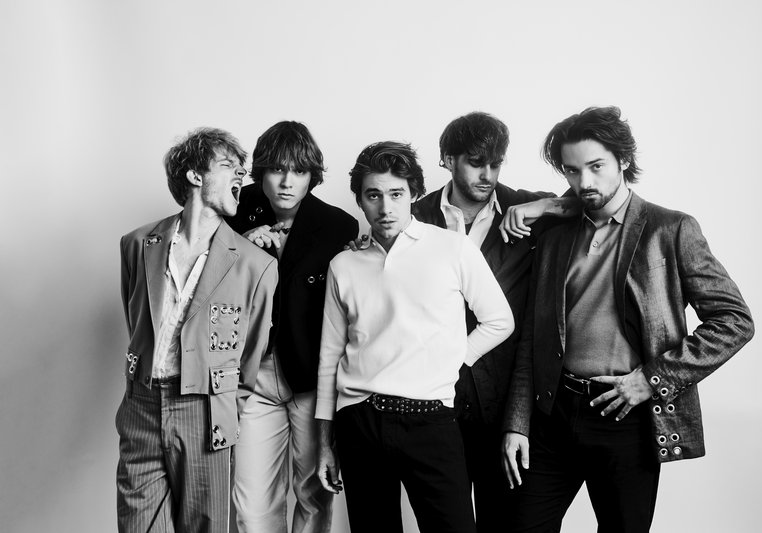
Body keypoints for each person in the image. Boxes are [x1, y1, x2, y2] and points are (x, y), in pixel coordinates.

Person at [501, 106, 755, 532]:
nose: (584, 182)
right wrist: (517, 422)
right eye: (572, 170)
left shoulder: (670, 229)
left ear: (623, 159)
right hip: (553, 414)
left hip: (626, 417)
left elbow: (734, 320)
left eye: (596, 166)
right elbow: (533, 336)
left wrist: (652, 379)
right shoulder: (555, 235)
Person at [315, 141, 514, 533]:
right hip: (360, 420)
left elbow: (499, 320)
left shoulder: (452, 248)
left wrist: (455, 359)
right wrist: (324, 443)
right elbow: (329, 357)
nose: (385, 208)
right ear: (360, 200)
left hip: (431, 420)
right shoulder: (344, 264)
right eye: (373, 195)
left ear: (414, 195)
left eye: (396, 194)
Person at [412, 111, 578, 532]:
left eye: (496, 164)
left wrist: (543, 205)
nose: (487, 175)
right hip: (435, 396)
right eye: (475, 163)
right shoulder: (415, 215)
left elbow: (594, 198)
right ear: (448, 159)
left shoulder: (525, 207)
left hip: (505, 400)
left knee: (504, 523)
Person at [116, 127, 278, 532]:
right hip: (141, 405)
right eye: (228, 166)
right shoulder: (136, 245)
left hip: (206, 411)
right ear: (194, 176)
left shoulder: (256, 265)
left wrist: (224, 407)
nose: (241, 175)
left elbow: (250, 356)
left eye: (242, 169)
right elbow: (137, 321)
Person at [226, 121, 358, 533]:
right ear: (260, 172)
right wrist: (243, 245)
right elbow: (206, 274)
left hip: (311, 377)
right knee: (251, 506)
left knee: (313, 495)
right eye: (277, 170)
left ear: (311, 176)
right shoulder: (232, 210)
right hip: (253, 374)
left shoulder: (337, 226)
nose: (286, 182)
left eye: (299, 171)